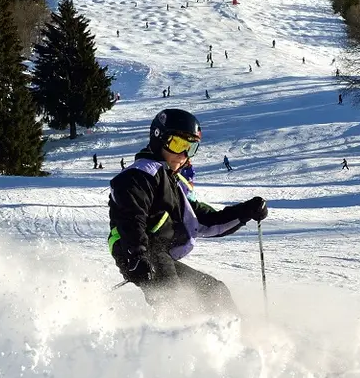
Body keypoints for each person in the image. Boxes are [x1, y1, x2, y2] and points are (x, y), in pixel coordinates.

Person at [108, 108, 268, 316]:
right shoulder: (140, 174)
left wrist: (246, 211)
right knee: (175, 300)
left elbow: (204, 221)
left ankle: (239, 332)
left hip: (156, 254)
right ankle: (178, 334)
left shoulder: (173, 182)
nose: (183, 155)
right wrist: (136, 254)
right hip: (139, 251)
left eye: (190, 148)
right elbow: (131, 216)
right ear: (158, 138)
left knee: (215, 291)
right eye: (178, 144)